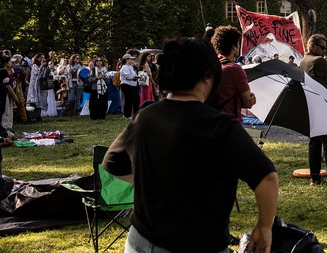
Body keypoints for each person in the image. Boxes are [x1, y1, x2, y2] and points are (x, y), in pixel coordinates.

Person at [102, 37, 279, 253]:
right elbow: (267, 177)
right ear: (208, 75)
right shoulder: (222, 127)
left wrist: (154, 180)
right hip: (199, 243)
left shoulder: (145, 117)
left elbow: (112, 163)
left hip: (141, 241)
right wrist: (264, 225)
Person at [299, 34, 327, 187]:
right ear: (312, 45)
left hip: (309, 104)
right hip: (323, 103)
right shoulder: (318, 61)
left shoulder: (302, 61)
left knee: (314, 142)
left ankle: (314, 178)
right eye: (322, 47)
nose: (324, 51)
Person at [210, 26, 256, 123]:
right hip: (229, 125)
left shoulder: (211, 65)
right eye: (238, 44)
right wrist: (251, 98)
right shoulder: (234, 69)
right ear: (233, 47)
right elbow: (248, 102)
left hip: (211, 123)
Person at [118, 53, 141, 119]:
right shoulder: (124, 67)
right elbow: (128, 76)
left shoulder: (131, 67)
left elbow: (132, 75)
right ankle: (127, 115)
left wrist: (135, 77)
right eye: (130, 59)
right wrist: (135, 77)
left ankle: (134, 114)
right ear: (127, 60)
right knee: (128, 100)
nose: (132, 61)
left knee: (135, 100)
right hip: (127, 85)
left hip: (133, 85)